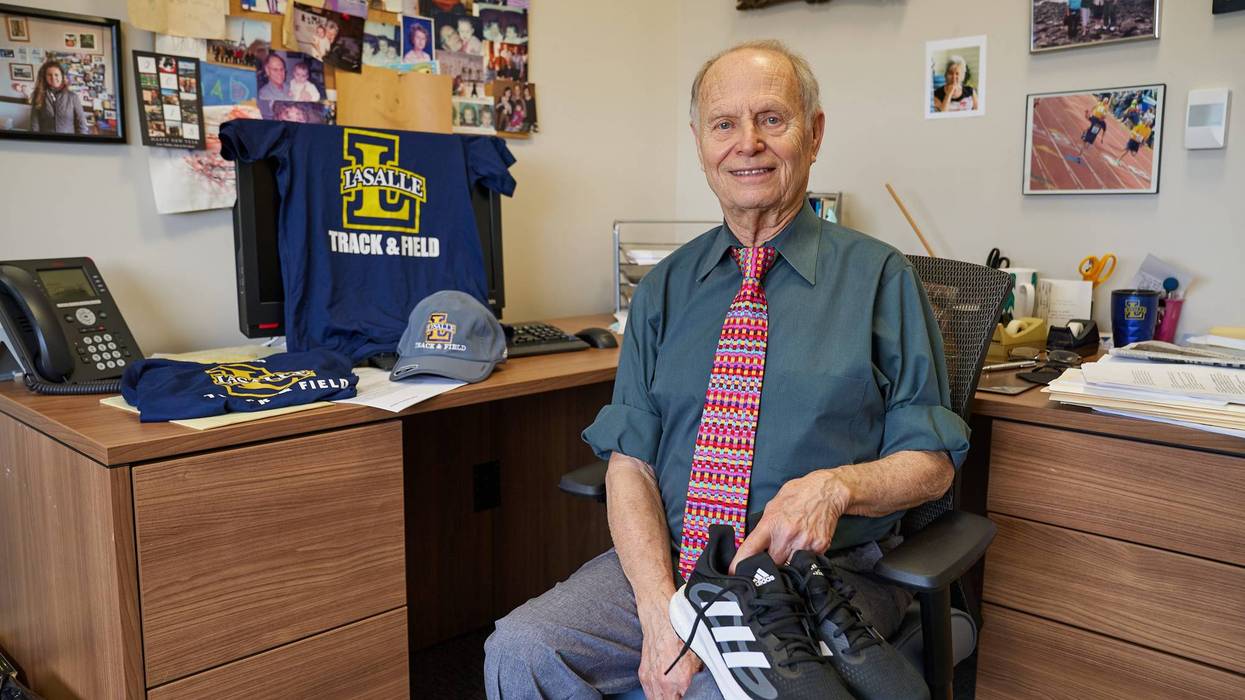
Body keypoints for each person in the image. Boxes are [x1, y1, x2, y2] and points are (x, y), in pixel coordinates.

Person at [485, 39, 964, 700]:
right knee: (520, 650)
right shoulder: (663, 289)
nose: (747, 144)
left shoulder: (880, 277)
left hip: (822, 573)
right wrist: (661, 613)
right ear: (699, 141)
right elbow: (630, 462)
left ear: (813, 133)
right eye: (723, 124)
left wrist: (835, 486)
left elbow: (931, 462)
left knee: (718, 691)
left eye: (771, 119)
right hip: (675, 561)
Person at [20, 60, 89, 134]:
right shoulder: (38, 96)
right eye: (49, 75)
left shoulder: (73, 97)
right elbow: (34, 124)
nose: (53, 78)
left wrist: (80, 142)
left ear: (62, 76)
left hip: (68, 142)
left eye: (56, 74)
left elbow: (82, 124)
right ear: (45, 77)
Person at [1074, 95, 1111, 160]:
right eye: (1102, 117)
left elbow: (1104, 130)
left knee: (1087, 146)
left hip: (1093, 136)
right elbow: (1087, 117)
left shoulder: (1103, 123)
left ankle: (1081, 152)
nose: (1102, 118)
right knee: (1084, 143)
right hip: (1089, 133)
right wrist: (1086, 112)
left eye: (1103, 117)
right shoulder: (1095, 118)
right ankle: (1079, 156)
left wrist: (1102, 138)